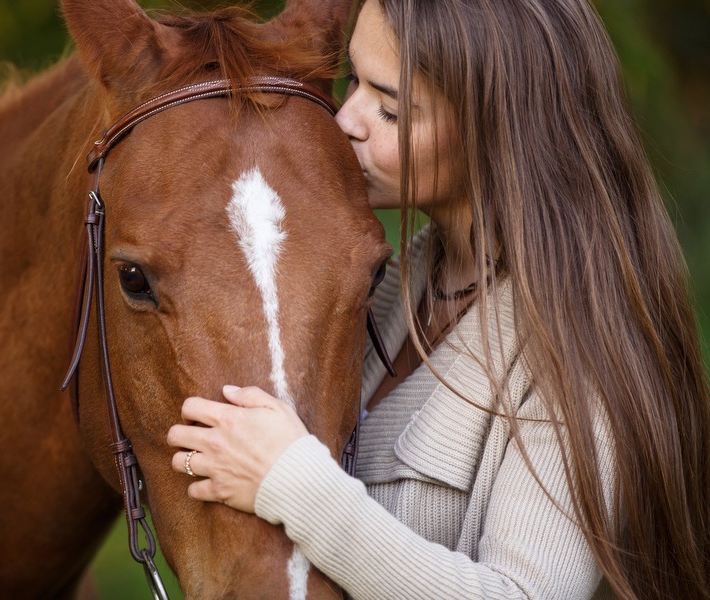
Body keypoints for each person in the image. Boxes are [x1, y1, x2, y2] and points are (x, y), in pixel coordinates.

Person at [166, 0, 710, 597]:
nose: (346, 119)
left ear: (500, 133)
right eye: (354, 81)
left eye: (392, 109)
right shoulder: (386, 286)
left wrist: (294, 484)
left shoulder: (580, 350)